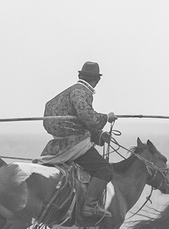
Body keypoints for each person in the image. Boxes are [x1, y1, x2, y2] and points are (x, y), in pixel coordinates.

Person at [38, 61, 118, 220]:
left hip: (55, 145)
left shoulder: (63, 94)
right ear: (97, 80)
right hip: (73, 146)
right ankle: (90, 206)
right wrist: (106, 118)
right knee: (105, 170)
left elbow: (75, 122)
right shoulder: (82, 92)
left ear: (80, 76)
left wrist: (98, 135)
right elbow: (87, 116)